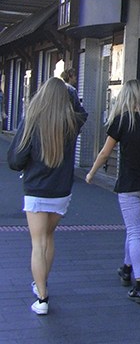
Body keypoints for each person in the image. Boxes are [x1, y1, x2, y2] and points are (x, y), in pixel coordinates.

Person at [7, 78, 87, 315]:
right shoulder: (71, 123)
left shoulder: (32, 120)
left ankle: (42, 297)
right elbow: (83, 112)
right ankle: (41, 283)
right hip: (61, 191)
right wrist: (70, 90)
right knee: (49, 238)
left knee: (37, 243)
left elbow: (15, 160)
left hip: (36, 190)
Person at [85, 79, 140, 304]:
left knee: (134, 233)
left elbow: (104, 153)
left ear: (125, 97)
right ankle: (126, 268)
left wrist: (91, 174)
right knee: (134, 230)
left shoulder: (122, 121)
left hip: (130, 186)